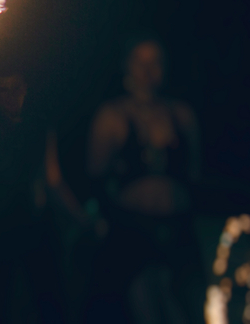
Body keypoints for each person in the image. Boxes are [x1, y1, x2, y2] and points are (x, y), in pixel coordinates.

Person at [86, 38, 203, 324]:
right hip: (133, 233)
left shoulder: (181, 114)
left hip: (178, 229)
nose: (149, 70)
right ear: (127, 66)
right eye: (141, 62)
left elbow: (195, 174)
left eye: (156, 62)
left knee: (185, 310)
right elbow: (95, 179)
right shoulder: (112, 117)